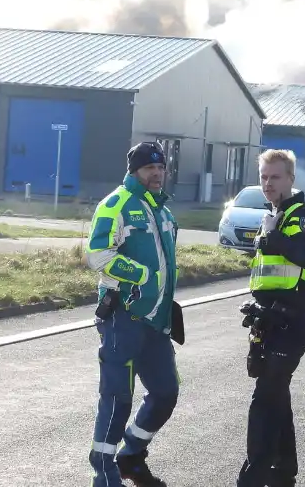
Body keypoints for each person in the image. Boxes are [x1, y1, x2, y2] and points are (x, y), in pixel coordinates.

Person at [86, 142, 183, 487]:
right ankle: (104, 471)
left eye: (161, 168)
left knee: (166, 393)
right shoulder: (116, 204)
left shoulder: (164, 211)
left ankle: (131, 455)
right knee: (117, 398)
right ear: (134, 171)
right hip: (122, 318)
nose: (157, 174)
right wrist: (141, 275)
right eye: (149, 169)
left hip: (156, 320)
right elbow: (98, 255)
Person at [237, 149, 305, 487]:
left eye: (275, 177)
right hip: (267, 321)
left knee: (264, 399)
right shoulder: (271, 215)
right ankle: (283, 470)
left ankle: (251, 478)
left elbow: (304, 255)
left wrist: (273, 237)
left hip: (293, 322)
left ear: (290, 179)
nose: (268, 183)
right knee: (277, 394)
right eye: (263, 176)